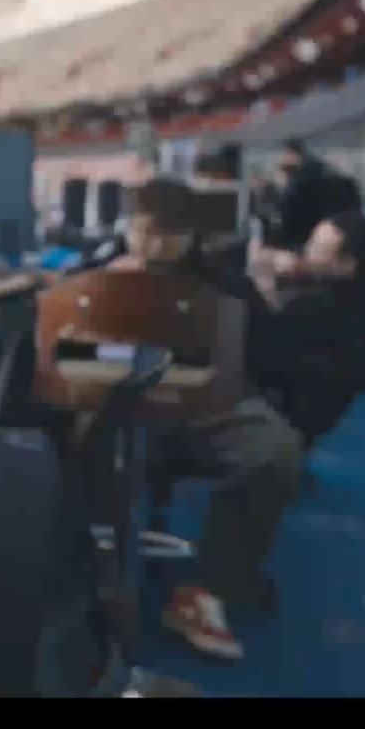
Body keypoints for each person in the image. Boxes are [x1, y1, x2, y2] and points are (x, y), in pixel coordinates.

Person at [72, 178, 306, 662]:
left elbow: (273, 358)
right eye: (141, 231)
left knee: (276, 451)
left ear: (192, 234)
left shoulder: (226, 283)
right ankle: (72, 566)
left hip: (207, 412)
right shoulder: (101, 268)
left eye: (166, 235)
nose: (151, 246)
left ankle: (210, 588)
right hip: (123, 409)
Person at [256, 213, 365, 443]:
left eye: (317, 248)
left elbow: (261, 344)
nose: (305, 252)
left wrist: (264, 285)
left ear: (346, 265)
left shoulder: (319, 309)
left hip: (290, 411)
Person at [261, 140, 362, 251]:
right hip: (333, 240)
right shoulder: (331, 176)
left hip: (304, 242)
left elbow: (286, 216)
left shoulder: (301, 183)